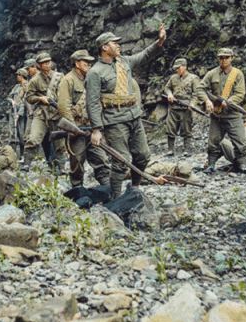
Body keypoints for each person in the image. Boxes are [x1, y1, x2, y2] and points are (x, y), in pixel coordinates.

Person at [86, 24, 167, 199]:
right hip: (114, 121)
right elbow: (92, 103)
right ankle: (115, 198)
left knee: (143, 155)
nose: (118, 45)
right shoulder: (94, 72)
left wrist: (159, 41)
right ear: (104, 48)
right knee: (120, 161)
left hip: (134, 117)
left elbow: (145, 55)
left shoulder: (124, 62)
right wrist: (96, 130)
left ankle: (134, 188)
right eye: (114, 43)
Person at [58, 50, 110, 187]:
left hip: (93, 128)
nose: (89, 64)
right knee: (77, 162)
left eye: (90, 62)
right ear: (77, 63)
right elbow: (64, 106)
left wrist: (98, 126)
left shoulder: (92, 79)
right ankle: (77, 189)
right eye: (85, 62)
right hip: (78, 127)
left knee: (101, 159)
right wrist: (72, 128)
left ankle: (110, 191)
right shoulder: (68, 80)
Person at [196, 48, 246, 174]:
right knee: (213, 142)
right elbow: (200, 89)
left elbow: (240, 93)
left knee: (240, 141)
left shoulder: (238, 74)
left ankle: (241, 165)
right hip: (217, 115)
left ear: (231, 58)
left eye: (226, 57)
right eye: (221, 57)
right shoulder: (212, 73)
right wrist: (207, 101)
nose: (224, 60)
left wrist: (229, 101)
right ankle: (211, 164)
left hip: (232, 114)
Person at [23, 53, 67, 172]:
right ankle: (26, 164)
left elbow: (66, 94)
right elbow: (29, 98)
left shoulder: (60, 77)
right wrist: (40, 99)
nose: (48, 64)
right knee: (33, 138)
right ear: (38, 65)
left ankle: (62, 168)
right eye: (44, 62)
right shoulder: (35, 80)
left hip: (56, 113)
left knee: (59, 144)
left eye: (49, 61)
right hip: (41, 113)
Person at [163, 58, 199, 157]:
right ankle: (170, 150)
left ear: (185, 67)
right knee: (170, 128)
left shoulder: (193, 78)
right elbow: (167, 88)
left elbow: (197, 94)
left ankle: (187, 150)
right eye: (176, 68)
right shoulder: (173, 78)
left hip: (186, 108)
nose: (177, 70)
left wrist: (193, 104)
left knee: (186, 129)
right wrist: (170, 94)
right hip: (173, 107)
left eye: (178, 68)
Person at [7, 68, 29, 157]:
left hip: (22, 114)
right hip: (13, 113)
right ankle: (13, 155)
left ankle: (24, 156)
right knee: (12, 134)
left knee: (22, 135)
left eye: (18, 75)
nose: (17, 77)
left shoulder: (28, 86)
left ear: (21, 76)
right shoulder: (16, 87)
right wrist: (12, 101)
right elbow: (8, 97)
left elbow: (26, 102)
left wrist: (19, 115)